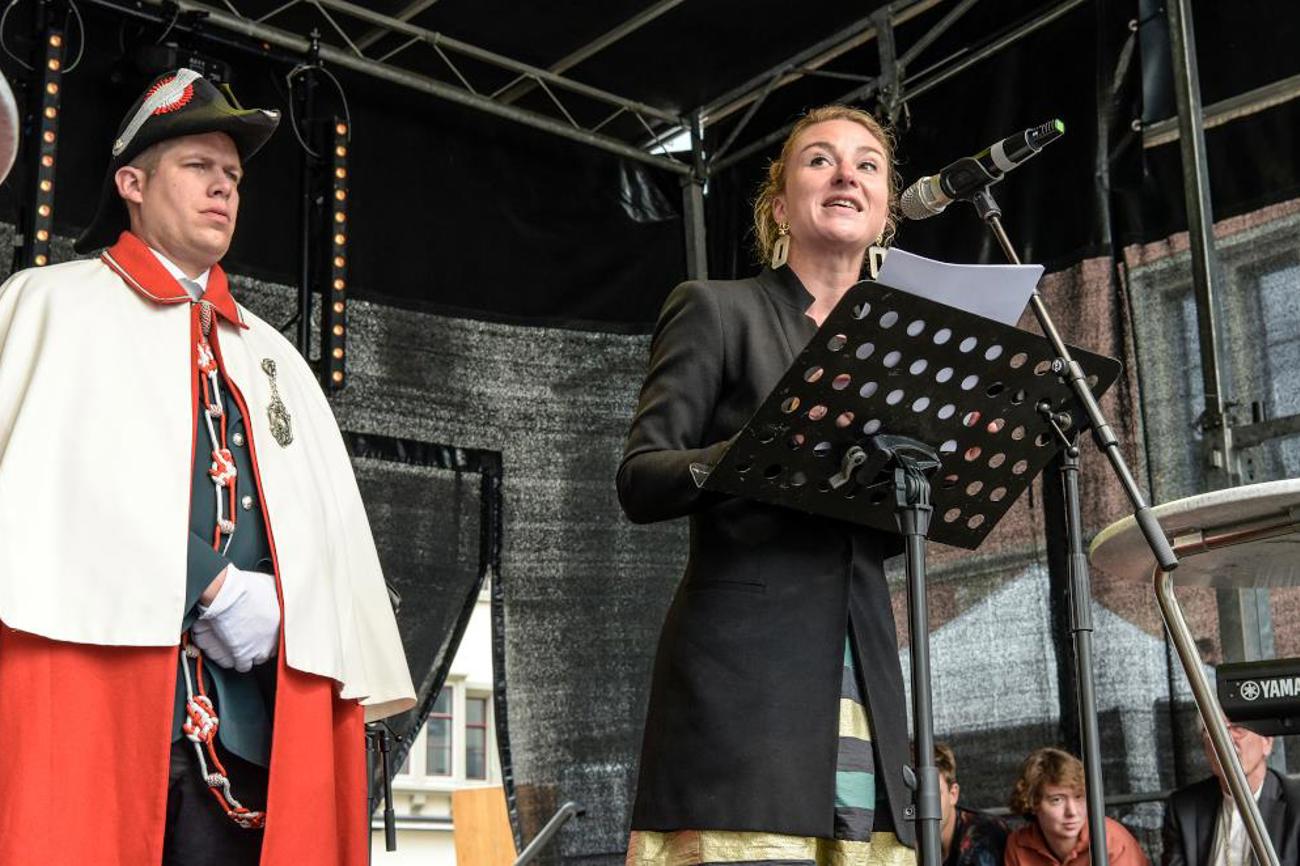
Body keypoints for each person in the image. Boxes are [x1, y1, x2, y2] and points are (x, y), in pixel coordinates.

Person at [0, 68, 415, 865]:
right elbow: (36, 494)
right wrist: (208, 584)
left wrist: (284, 597)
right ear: (131, 181)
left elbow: (325, 535)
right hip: (97, 713)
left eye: (233, 176)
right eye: (198, 168)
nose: (223, 188)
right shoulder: (47, 306)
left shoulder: (275, 358)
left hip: (248, 735)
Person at [618, 105, 914, 866]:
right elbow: (640, 477)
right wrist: (759, 448)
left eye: (868, 164)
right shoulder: (718, 310)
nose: (847, 173)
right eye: (820, 159)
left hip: (863, 667)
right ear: (779, 205)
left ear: (884, 212)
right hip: (742, 678)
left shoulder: (902, 351)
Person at [1161, 720, 1300, 866]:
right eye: (1212, 728)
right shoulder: (1182, 808)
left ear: (1267, 741)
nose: (1224, 738)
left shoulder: (1296, 804)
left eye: (1237, 728)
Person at [1005, 748, 1149, 866]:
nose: (1072, 812)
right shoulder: (1018, 844)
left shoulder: (1111, 839)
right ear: (1032, 803)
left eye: (1079, 797)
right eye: (1057, 800)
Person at [935, 742, 1009, 866]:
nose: (920, 806)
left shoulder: (985, 835)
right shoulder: (902, 838)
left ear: (953, 795)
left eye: (933, 796)